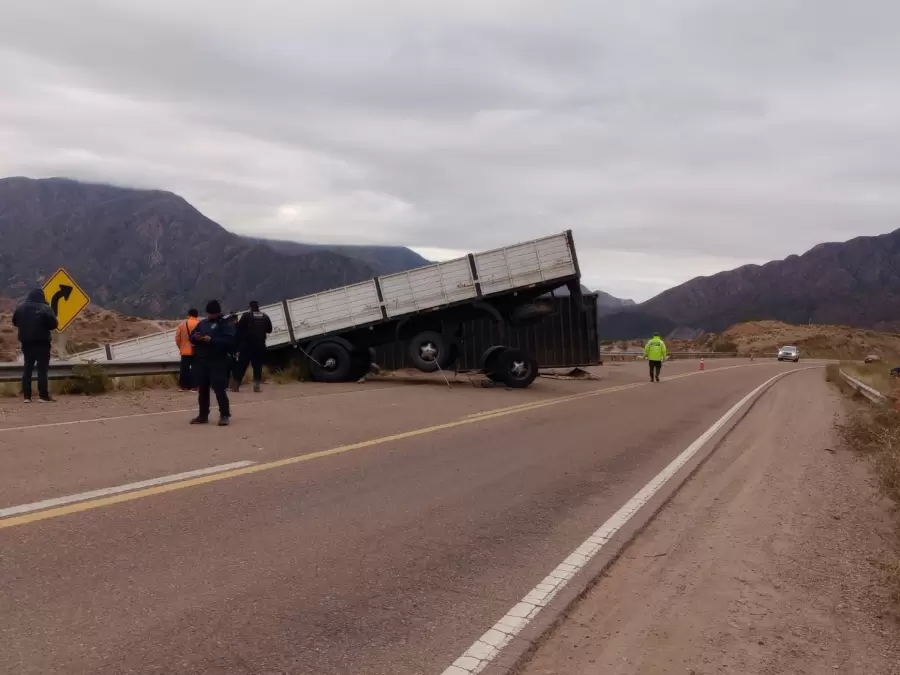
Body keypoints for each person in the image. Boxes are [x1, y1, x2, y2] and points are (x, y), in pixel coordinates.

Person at [189, 300, 236, 426]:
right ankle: (203, 415)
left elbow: (230, 341)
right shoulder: (202, 324)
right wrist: (196, 338)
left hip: (218, 361)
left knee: (219, 389)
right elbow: (192, 336)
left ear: (218, 313)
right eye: (209, 314)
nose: (211, 316)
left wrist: (212, 340)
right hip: (202, 361)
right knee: (203, 390)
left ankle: (224, 415)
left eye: (213, 314)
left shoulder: (225, 324)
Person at [12, 288, 59, 402]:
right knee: (42, 370)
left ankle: (27, 397)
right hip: (42, 343)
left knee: (27, 368)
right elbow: (53, 324)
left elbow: (14, 322)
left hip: (26, 343)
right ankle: (43, 396)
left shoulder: (20, 308)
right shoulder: (46, 308)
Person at [232, 301, 272, 393]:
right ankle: (256, 387)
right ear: (258, 307)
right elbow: (269, 330)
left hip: (247, 346)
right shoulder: (265, 317)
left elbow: (239, 329)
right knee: (258, 366)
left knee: (242, 366)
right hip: (260, 346)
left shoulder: (246, 316)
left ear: (250, 307)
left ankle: (236, 386)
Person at [174, 308, 200, 392]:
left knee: (184, 369)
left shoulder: (182, 324)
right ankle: (194, 386)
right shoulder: (200, 324)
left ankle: (183, 386)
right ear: (197, 315)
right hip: (196, 351)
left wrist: (181, 347)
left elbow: (177, 339)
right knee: (196, 368)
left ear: (189, 315)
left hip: (184, 350)